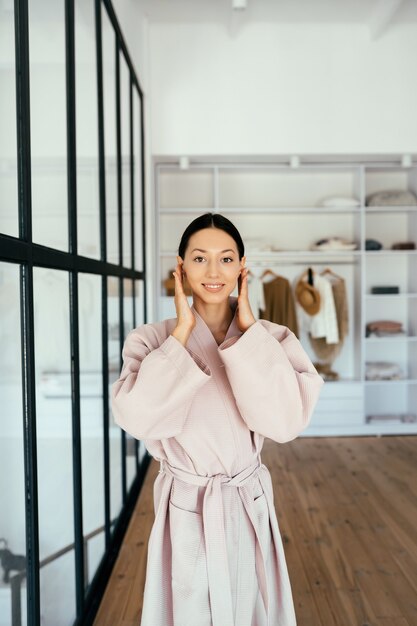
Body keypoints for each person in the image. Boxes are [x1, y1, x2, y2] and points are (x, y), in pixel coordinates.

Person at [111, 212, 325, 626]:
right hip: (186, 502)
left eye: (226, 259)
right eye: (199, 258)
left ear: (243, 268)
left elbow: (285, 424)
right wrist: (182, 333)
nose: (213, 271)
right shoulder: (151, 339)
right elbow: (137, 419)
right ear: (180, 266)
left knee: (251, 606)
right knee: (189, 609)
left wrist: (248, 332)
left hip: (246, 501)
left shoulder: (272, 337)